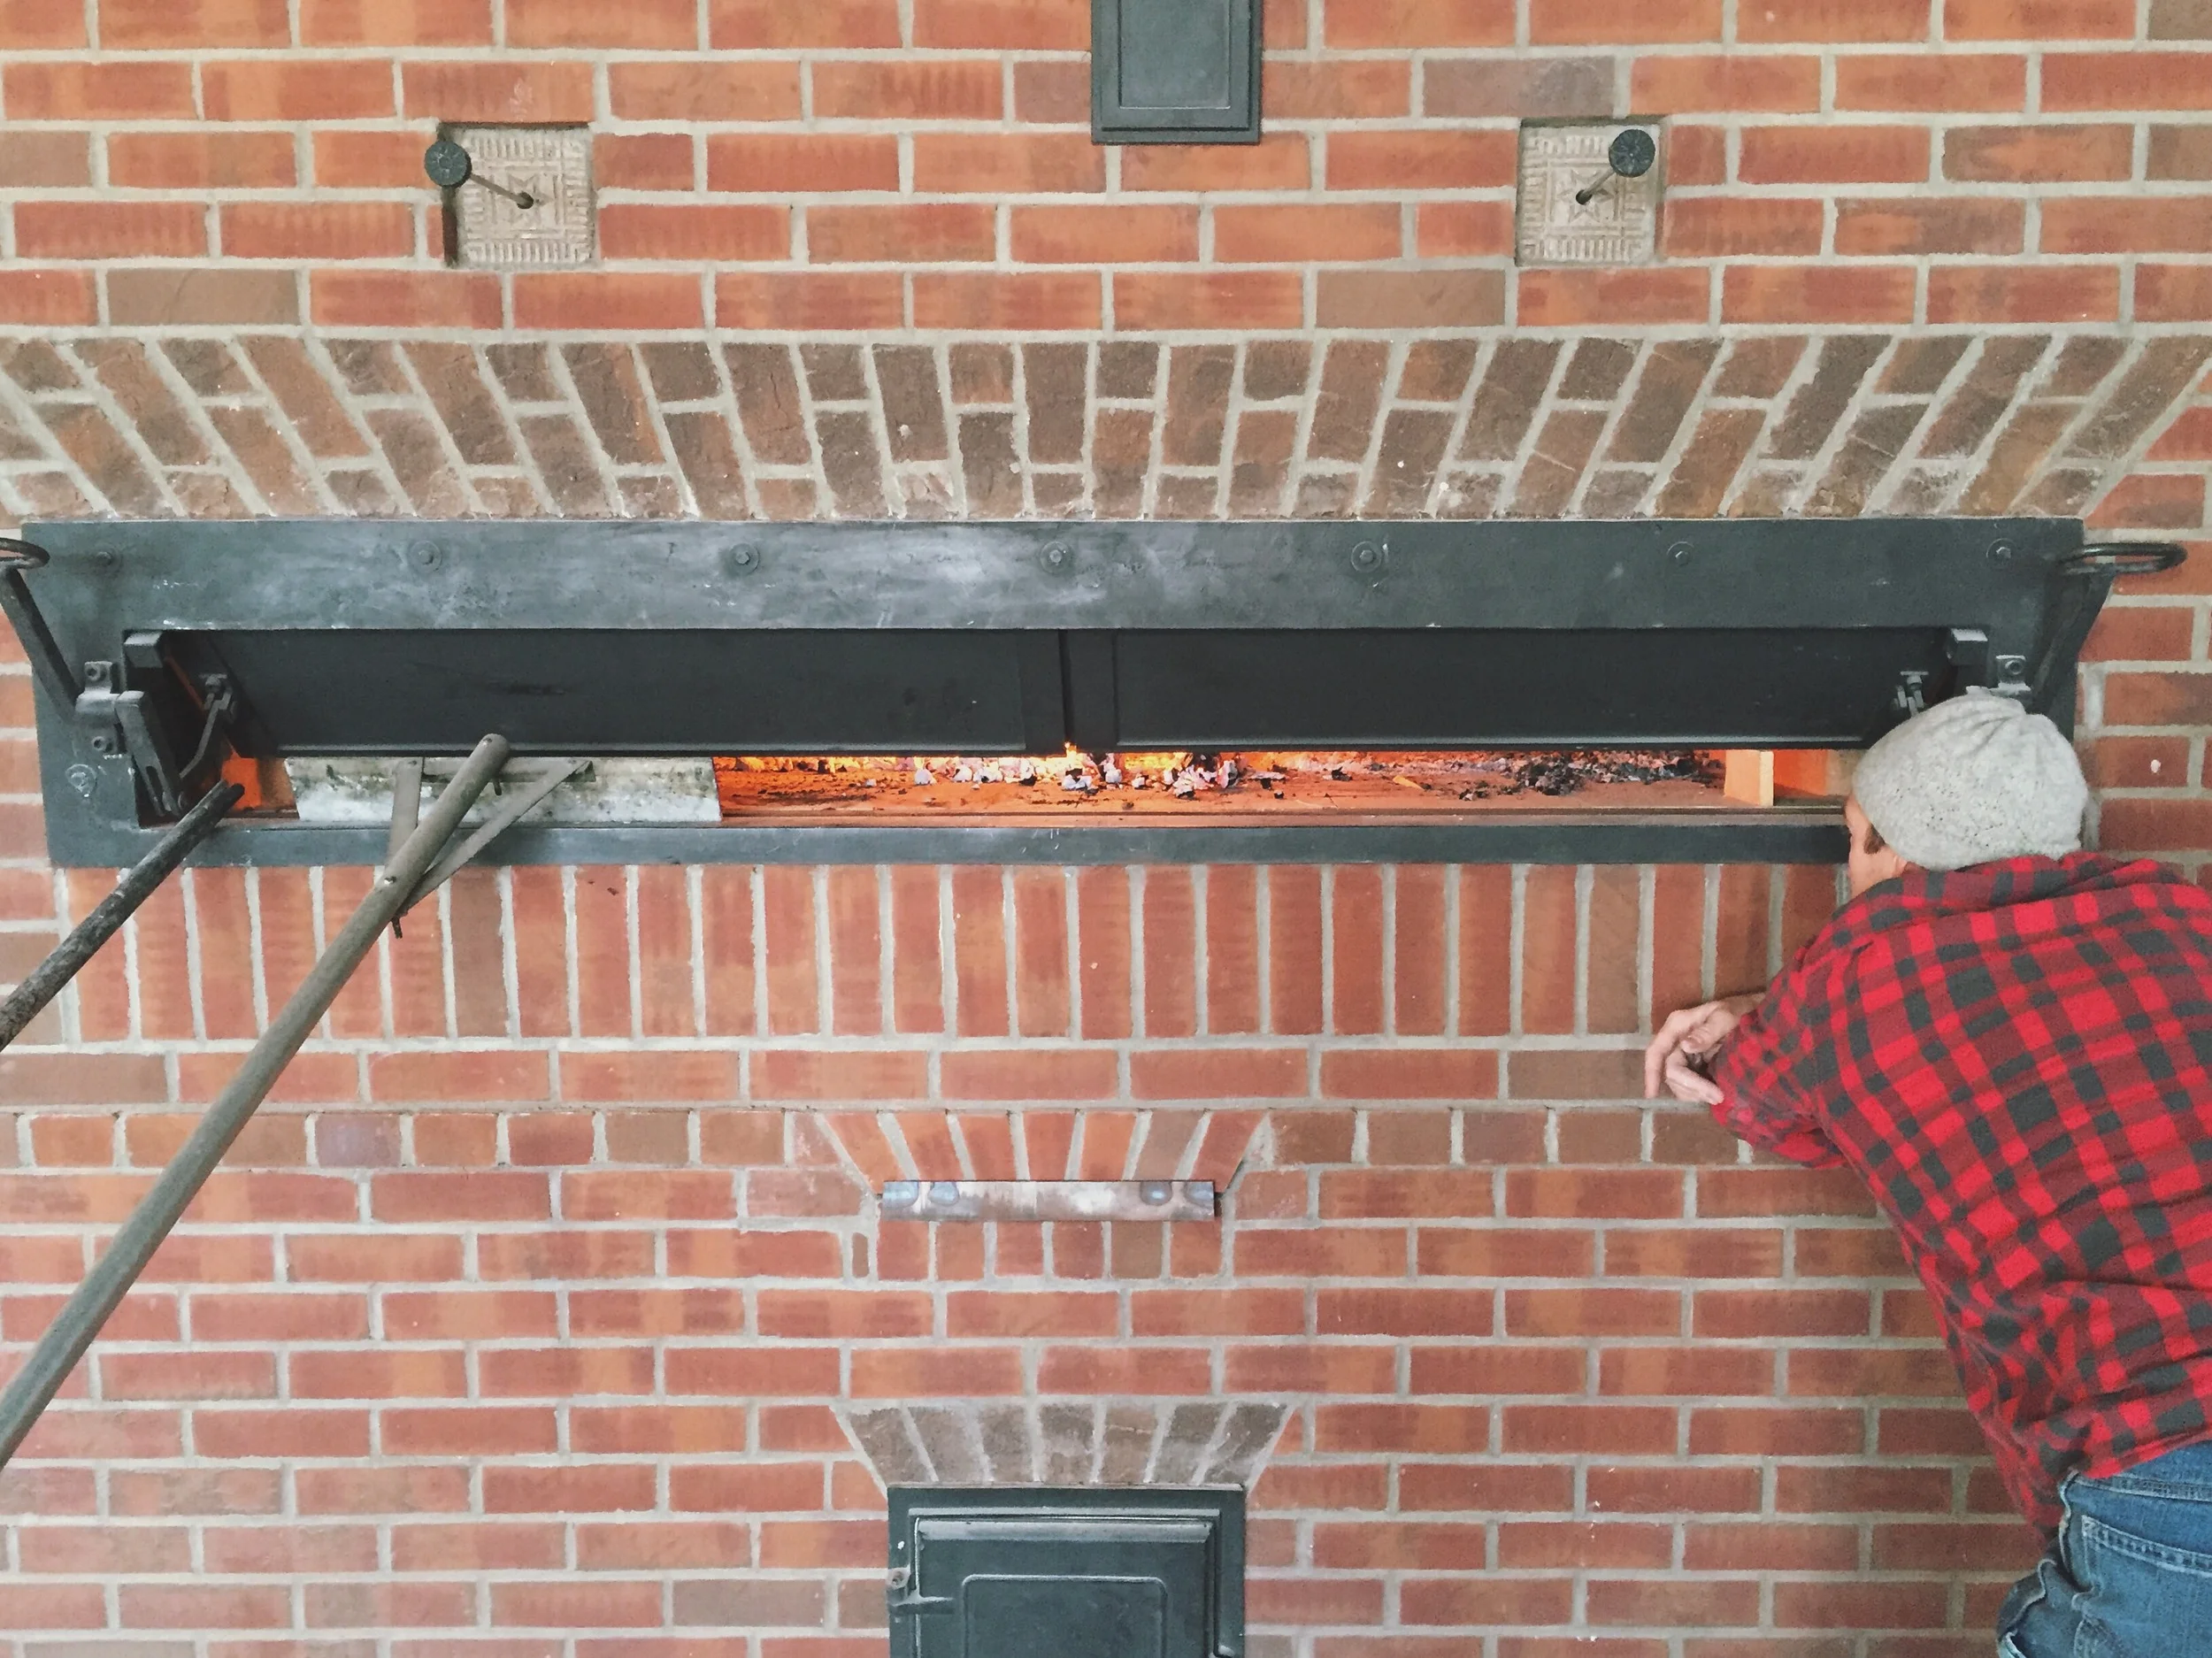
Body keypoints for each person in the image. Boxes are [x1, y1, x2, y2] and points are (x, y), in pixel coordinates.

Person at [1645, 690, 2212, 1655]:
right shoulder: (2182, 913)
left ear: (1902, 850)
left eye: (1856, 841)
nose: (1852, 870)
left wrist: (1750, 1019)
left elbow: (1766, 1104)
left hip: (2153, 1451)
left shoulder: (1857, 972)